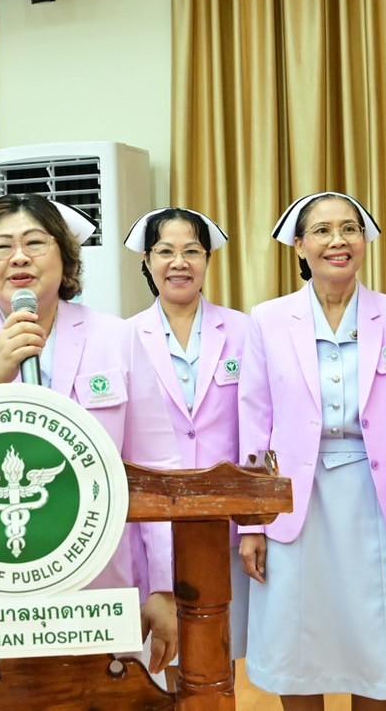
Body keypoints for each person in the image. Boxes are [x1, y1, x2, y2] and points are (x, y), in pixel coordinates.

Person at [0, 194, 181, 693]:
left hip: (93, 597)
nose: (19, 257)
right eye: (2, 246)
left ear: (65, 257)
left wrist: (164, 586)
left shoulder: (115, 337)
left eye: (35, 243)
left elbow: (160, 468)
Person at [238, 191, 386, 710]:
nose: (337, 241)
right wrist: (252, 523)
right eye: (322, 230)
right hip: (295, 501)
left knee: (381, 641)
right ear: (299, 246)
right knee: (298, 640)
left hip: (378, 497)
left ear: (364, 241)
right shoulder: (269, 319)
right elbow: (253, 423)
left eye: (349, 228)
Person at [123, 206, 252, 660]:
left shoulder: (243, 330)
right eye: (165, 252)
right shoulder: (124, 337)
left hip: (225, 520)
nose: (179, 263)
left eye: (192, 252)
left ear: (207, 260)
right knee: (166, 654)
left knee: (220, 651)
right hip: (155, 516)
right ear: (146, 261)